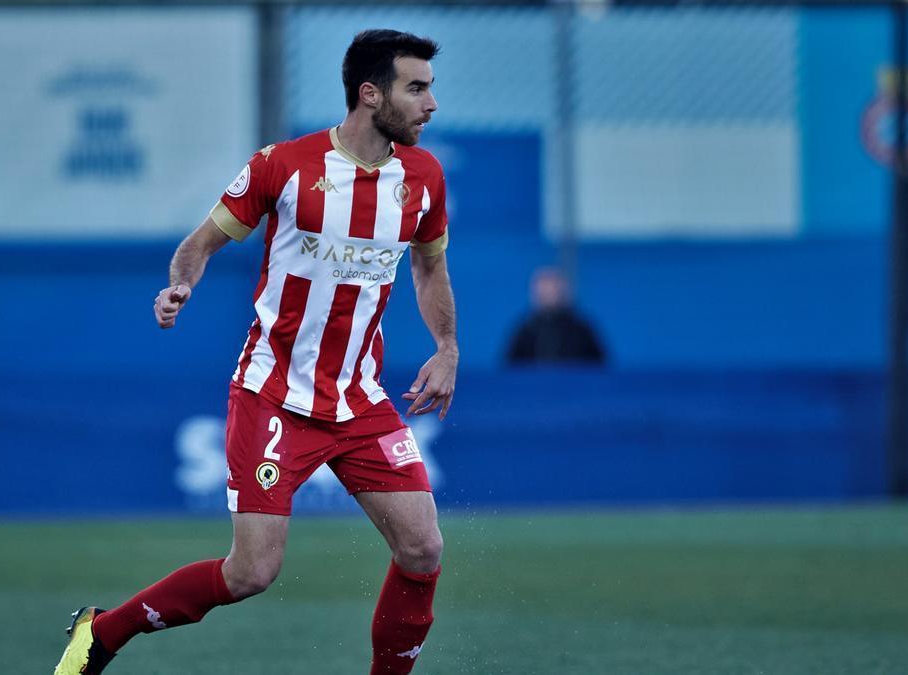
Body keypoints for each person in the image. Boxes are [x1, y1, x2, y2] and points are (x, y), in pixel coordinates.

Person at [54, 29, 456, 675]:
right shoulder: (285, 165)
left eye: (431, 88)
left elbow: (431, 270)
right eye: (417, 88)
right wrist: (180, 283)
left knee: (423, 548)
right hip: (274, 395)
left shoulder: (424, 177)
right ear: (370, 93)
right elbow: (201, 241)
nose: (432, 103)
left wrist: (448, 346)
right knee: (251, 571)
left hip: (359, 399)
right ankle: (101, 634)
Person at [506, 267, 605, 365]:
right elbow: (510, 369)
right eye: (543, 288)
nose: (548, 293)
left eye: (552, 287)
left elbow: (599, 367)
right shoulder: (526, 331)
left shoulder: (581, 330)